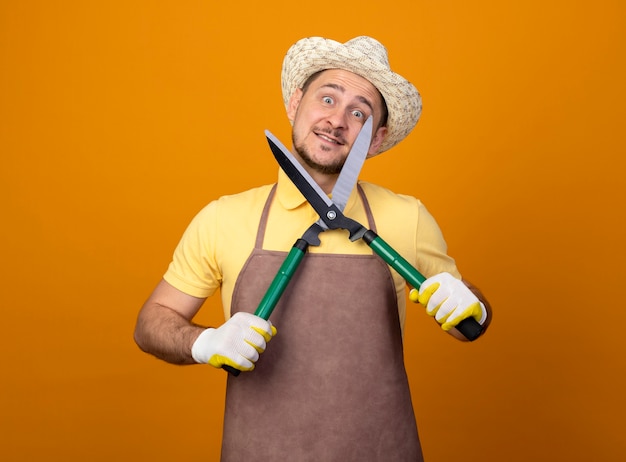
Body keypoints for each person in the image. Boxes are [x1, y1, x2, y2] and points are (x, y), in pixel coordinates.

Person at [134, 36, 492, 461]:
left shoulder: (406, 217)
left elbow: (466, 324)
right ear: (295, 102)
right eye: (327, 98)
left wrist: (474, 307)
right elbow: (151, 324)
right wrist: (203, 342)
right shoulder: (223, 217)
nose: (336, 120)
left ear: (374, 140)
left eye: (358, 112)